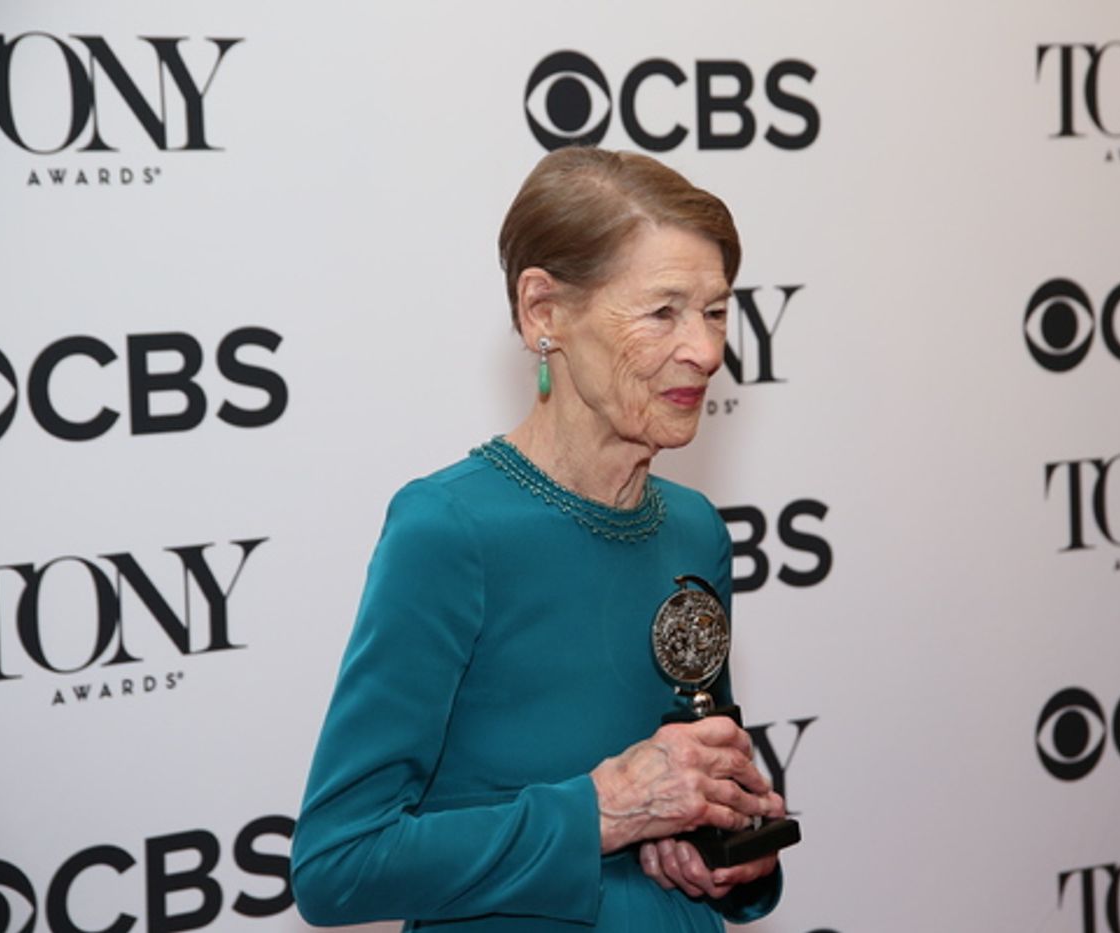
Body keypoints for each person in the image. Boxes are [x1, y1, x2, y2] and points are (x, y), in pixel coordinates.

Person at [291, 147, 786, 932]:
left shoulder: (695, 529)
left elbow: (717, 809)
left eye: (717, 310)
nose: (706, 348)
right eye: (663, 311)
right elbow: (338, 865)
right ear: (543, 311)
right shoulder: (448, 531)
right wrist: (603, 812)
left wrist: (731, 853)